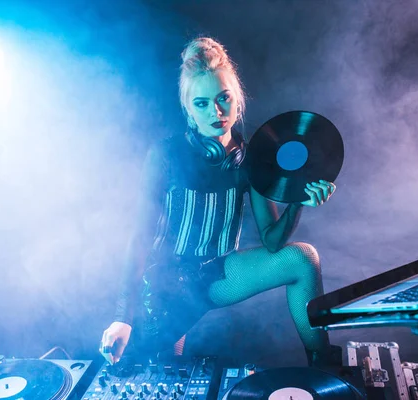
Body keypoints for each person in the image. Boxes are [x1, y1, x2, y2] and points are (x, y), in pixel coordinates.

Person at [100, 37, 340, 367]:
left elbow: (272, 241)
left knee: (303, 258)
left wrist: (298, 200)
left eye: (223, 98)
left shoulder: (252, 157)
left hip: (219, 273)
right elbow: (140, 237)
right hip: (166, 285)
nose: (215, 112)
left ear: (237, 99)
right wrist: (122, 317)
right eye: (201, 103)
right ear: (188, 109)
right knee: (155, 370)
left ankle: (324, 368)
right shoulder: (166, 155)